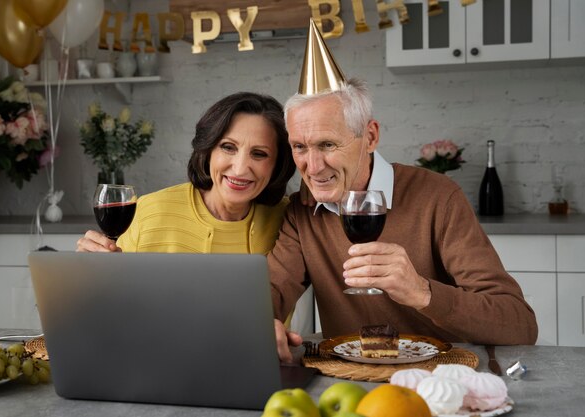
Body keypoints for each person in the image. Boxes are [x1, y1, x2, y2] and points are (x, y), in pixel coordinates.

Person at [270, 22, 537, 363]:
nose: (313, 166)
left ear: (370, 137)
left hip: (440, 382)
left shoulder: (438, 197)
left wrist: (421, 291)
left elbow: (520, 325)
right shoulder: (302, 212)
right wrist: (260, 322)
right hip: (351, 385)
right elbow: (271, 292)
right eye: (299, 147)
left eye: (327, 144)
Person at [77, 92, 295, 256]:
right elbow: (106, 299)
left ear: (278, 164)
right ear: (207, 150)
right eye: (228, 147)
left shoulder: (290, 222)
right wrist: (86, 272)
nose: (239, 168)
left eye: (259, 154)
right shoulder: (148, 213)